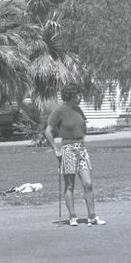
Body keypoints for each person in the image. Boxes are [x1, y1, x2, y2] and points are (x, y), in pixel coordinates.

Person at [48, 85, 102, 225]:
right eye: (79, 94)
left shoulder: (78, 110)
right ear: (72, 95)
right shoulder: (60, 111)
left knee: (88, 184)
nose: (81, 97)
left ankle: (92, 215)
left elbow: (83, 127)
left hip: (81, 149)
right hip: (68, 149)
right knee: (70, 185)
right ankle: (73, 216)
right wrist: (56, 149)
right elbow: (48, 131)